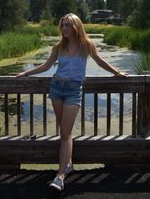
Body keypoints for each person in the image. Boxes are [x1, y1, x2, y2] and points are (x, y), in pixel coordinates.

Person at [17, 13, 127, 191]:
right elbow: (46, 66)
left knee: (66, 133)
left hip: (73, 91)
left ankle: (60, 176)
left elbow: (100, 62)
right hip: (56, 88)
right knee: (64, 131)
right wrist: (26, 73)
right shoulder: (58, 47)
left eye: (68, 25)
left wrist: (117, 73)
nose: (65, 29)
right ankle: (68, 164)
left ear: (77, 26)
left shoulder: (86, 46)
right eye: (63, 25)